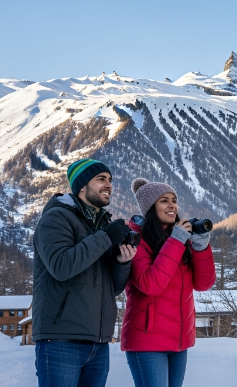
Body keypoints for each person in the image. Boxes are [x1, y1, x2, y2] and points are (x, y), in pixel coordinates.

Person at [32, 159, 137, 387]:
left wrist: (121, 263)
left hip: (98, 343)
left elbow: (113, 288)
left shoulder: (102, 225)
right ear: (81, 186)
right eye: (101, 179)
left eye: (110, 180)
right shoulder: (56, 218)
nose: (108, 184)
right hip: (61, 340)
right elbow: (61, 266)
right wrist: (107, 237)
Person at [121, 178, 216, 387]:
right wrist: (176, 240)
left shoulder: (178, 238)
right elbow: (150, 284)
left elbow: (203, 284)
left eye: (174, 200)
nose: (172, 205)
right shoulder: (136, 239)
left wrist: (200, 248)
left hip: (179, 340)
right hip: (147, 340)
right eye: (164, 200)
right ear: (150, 207)